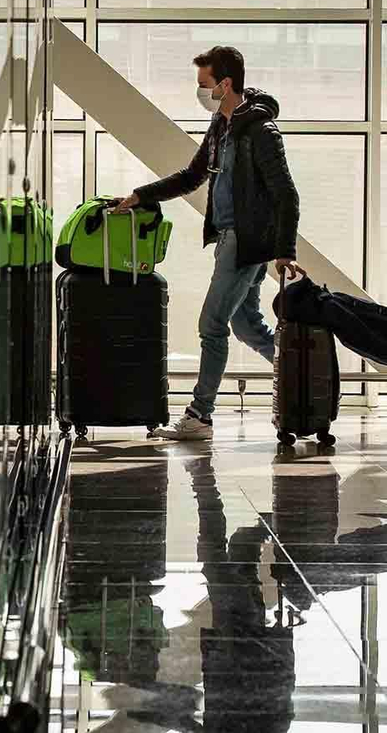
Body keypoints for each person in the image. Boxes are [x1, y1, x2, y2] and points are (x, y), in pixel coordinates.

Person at [113, 46, 302, 441]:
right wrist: (140, 196)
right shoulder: (221, 126)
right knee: (246, 325)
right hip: (229, 238)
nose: (201, 91)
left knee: (211, 325)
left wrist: (286, 251)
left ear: (225, 84)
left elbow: (286, 193)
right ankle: (299, 375)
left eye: (204, 84)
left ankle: (200, 415)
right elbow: (192, 176)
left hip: (245, 241)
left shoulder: (261, 132)